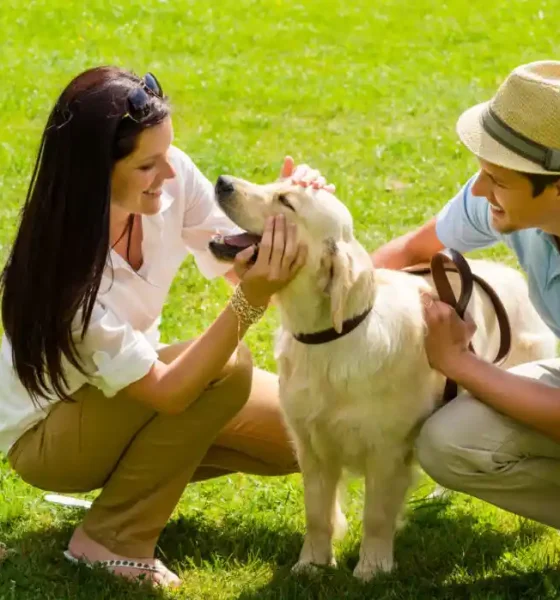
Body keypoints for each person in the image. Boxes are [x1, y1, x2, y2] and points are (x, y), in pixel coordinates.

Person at [0, 66, 330, 587]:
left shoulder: (166, 179)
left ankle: (142, 483)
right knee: (223, 368)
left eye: (167, 154)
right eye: (148, 164)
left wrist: (291, 209)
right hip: (50, 436)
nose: (170, 174)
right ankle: (109, 539)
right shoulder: (65, 277)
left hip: (132, 395)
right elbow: (169, 392)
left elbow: (234, 258)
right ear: (96, 172)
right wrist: (250, 303)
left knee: (305, 435)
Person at [371, 60, 560, 530]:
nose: (479, 189)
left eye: (497, 180)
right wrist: (340, 312)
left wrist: (459, 363)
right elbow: (413, 248)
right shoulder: (504, 196)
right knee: (449, 442)